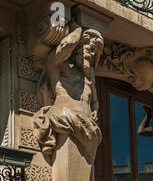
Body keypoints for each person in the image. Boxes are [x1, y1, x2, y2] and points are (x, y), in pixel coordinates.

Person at [33, 22, 104, 165]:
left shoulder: (89, 77)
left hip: (88, 128)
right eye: (88, 49)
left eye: (93, 53)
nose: (90, 55)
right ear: (76, 50)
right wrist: (77, 29)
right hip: (66, 119)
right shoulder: (59, 66)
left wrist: (95, 110)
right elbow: (69, 43)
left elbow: (95, 100)